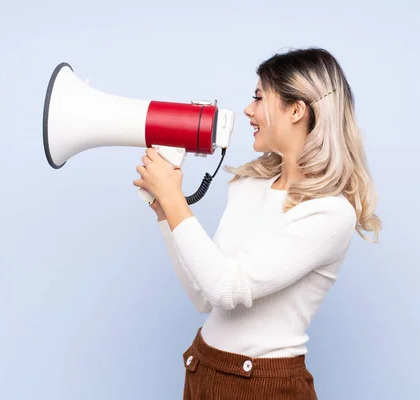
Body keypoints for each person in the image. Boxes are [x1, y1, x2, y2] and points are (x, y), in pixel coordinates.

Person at [133, 47, 381, 399]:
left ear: (296, 110)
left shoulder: (330, 213)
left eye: (259, 97)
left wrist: (175, 200)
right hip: (203, 369)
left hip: (264, 385)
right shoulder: (249, 185)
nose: (248, 110)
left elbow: (227, 287)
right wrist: (164, 212)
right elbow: (204, 296)